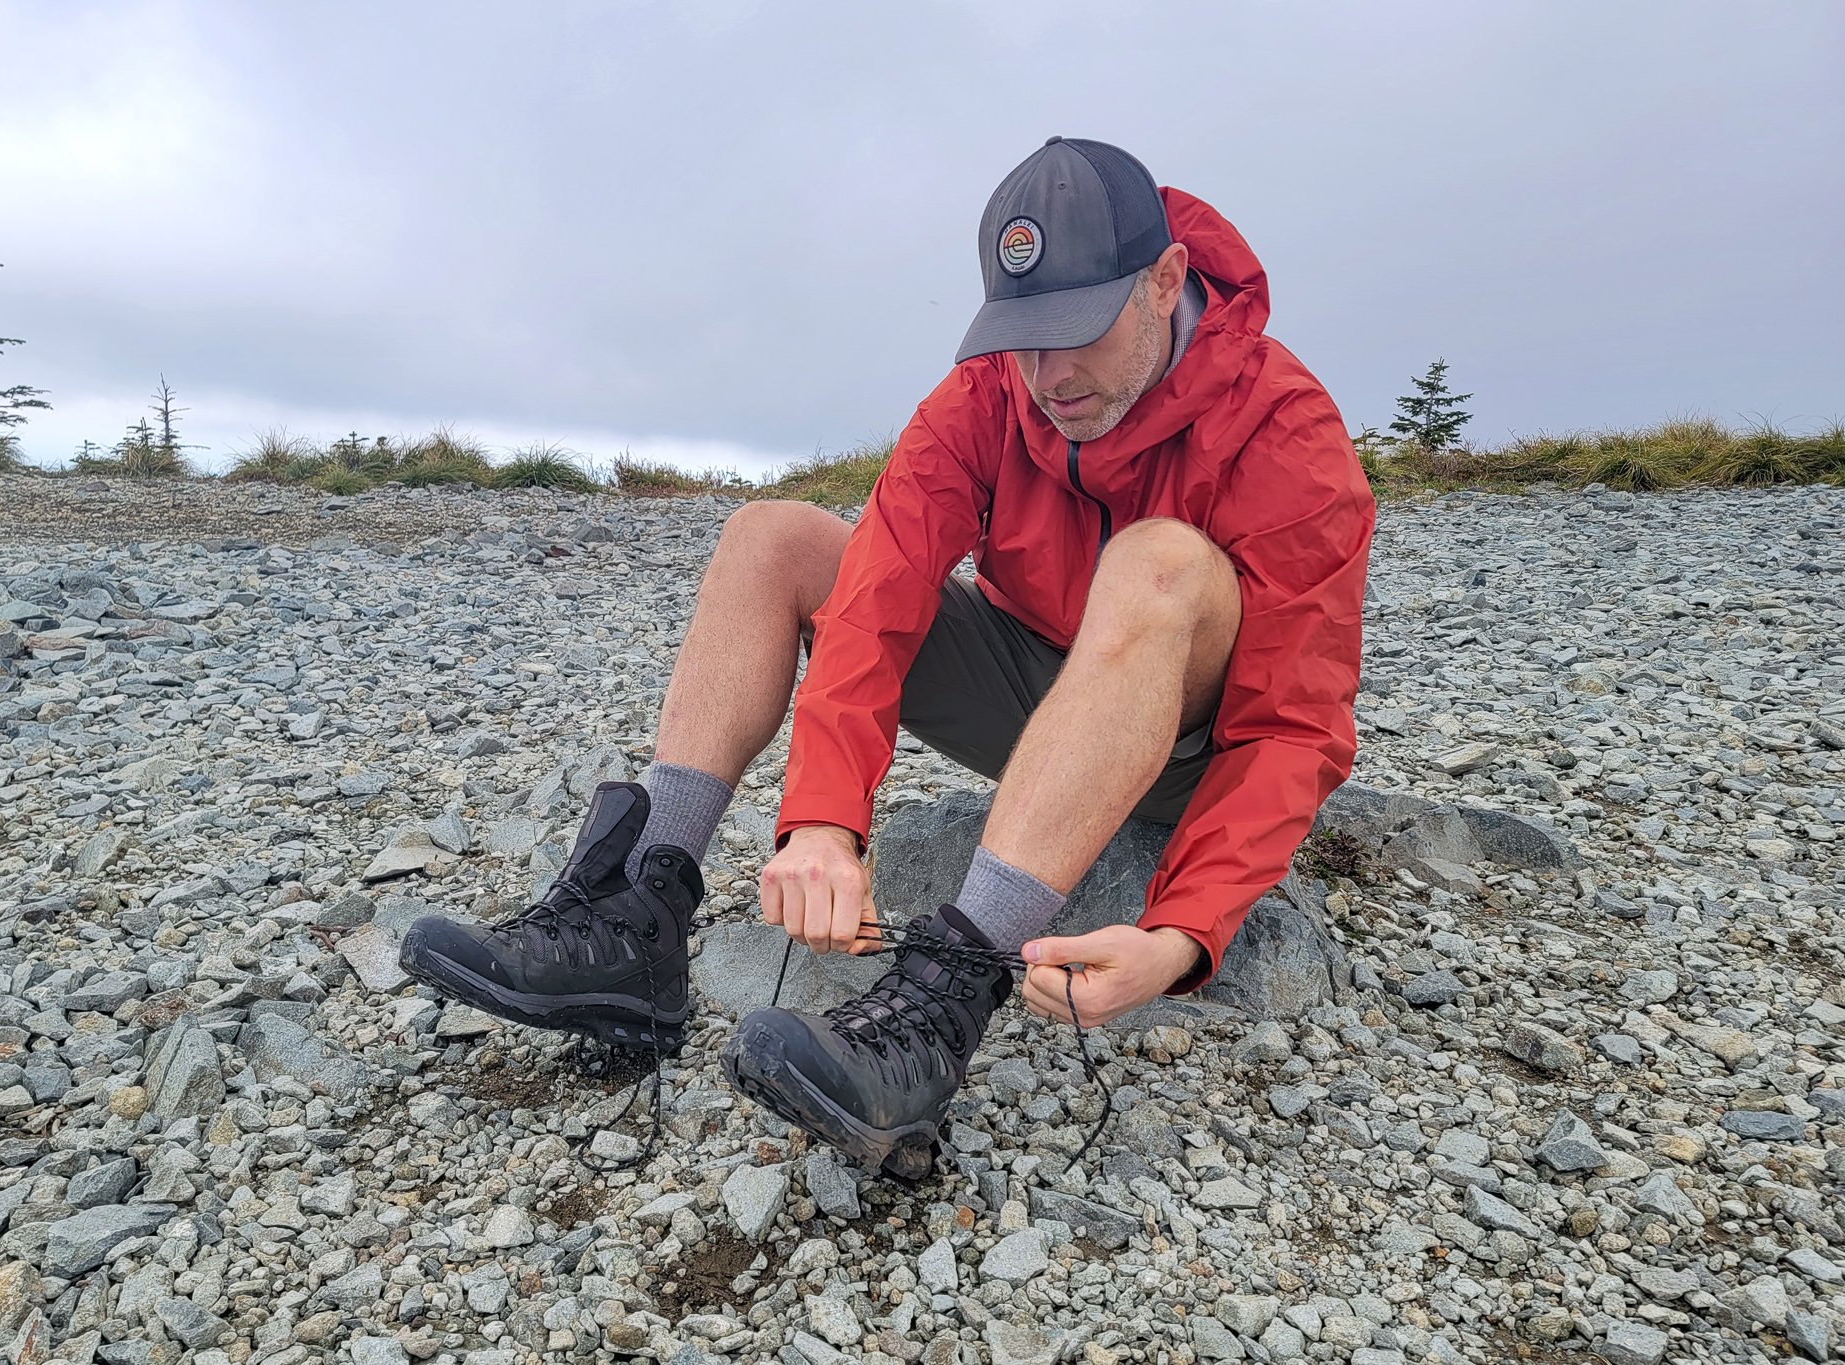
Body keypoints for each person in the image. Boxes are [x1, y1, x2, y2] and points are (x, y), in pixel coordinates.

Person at [401, 136, 1376, 1177]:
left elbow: (1291, 728)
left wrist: (1181, 934)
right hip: (1032, 699)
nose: (1047, 377)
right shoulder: (988, 396)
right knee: (774, 538)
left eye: (1077, 332)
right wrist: (823, 822)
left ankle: (943, 1004)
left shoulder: (1284, 430)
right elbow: (873, 601)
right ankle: (635, 912)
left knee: (1160, 563)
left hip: (1178, 745)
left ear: (1164, 280)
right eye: (1022, 338)